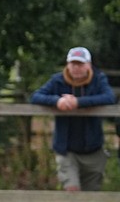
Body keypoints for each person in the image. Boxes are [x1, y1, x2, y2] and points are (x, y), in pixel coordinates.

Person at [30, 47, 116, 191]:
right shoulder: (57, 80)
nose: (76, 68)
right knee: (72, 190)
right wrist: (57, 101)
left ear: (88, 65)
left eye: (80, 64)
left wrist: (78, 102)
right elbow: (35, 96)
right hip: (66, 149)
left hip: (93, 149)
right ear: (67, 65)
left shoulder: (98, 79)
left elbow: (109, 97)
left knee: (92, 193)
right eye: (73, 64)